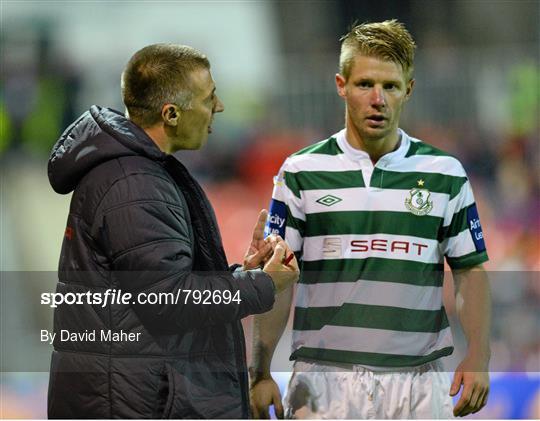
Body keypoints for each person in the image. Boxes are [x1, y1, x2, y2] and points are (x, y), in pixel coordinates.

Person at [250, 20, 491, 419]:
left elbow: (470, 270)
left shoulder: (445, 173)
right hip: (323, 381)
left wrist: (479, 355)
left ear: (408, 90)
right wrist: (259, 372)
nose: (378, 98)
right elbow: (276, 279)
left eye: (391, 86)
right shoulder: (300, 172)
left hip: (419, 381)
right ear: (341, 84)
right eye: (364, 84)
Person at [47, 43, 299, 419]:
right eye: (209, 97)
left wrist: (246, 274)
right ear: (172, 113)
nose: (220, 107)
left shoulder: (136, 172)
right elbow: (167, 300)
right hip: (136, 405)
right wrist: (262, 286)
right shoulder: (134, 184)